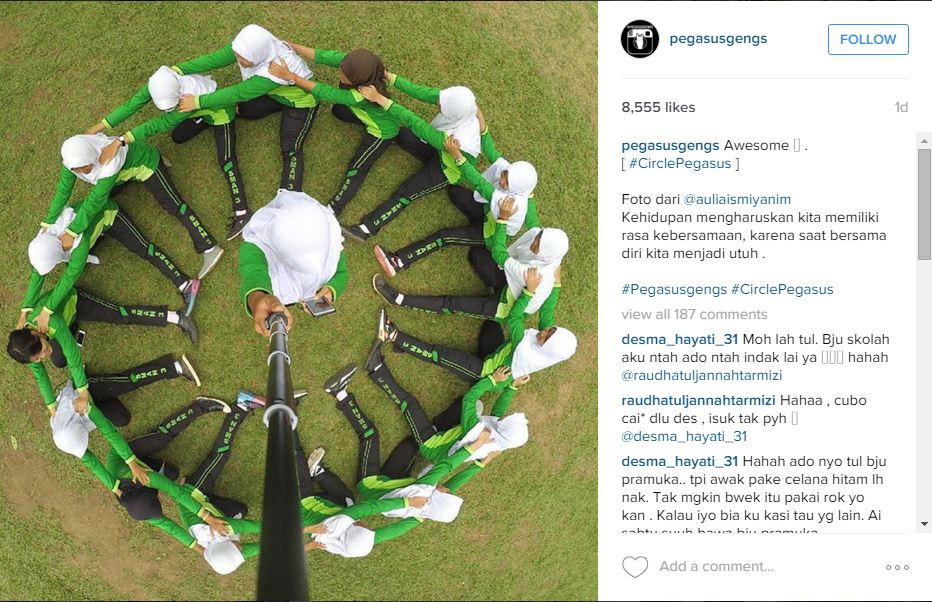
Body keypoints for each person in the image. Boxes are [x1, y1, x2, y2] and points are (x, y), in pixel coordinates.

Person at [88, 394, 266, 574]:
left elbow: (178, 495)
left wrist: (209, 519)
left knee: (163, 439)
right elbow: (171, 528)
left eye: (238, 550)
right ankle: (201, 495)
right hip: (160, 487)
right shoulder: (141, 510)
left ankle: (208, 406)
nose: (242, 549)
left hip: (126, 456)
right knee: (238, 509)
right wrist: (203, 551)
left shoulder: (145, 479)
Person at [319, 364, 495, 541]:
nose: (449, 489)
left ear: (438, 499)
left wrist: (477, 444)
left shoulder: (424, 489)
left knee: (370, 435)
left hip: (371, 485)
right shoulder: (424, 512)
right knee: (411, 445)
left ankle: (340, 393)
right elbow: (453, 483)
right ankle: (450, 418)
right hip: (394, 481)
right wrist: (480, 464)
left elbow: (448, 465)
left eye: (448, 493)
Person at [87, 65, 251, 240]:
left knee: (226, 159)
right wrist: (98, 127)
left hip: (220, 112)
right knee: (179, 136)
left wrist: (120, 141)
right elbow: (130, 106)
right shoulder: (157, 84)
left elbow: (159, 124)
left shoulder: (187, 97)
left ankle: (242, 212)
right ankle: (202, 118)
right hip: (197, 111)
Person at [370, 112, 540, 276]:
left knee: (445, 236)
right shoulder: (514, 179)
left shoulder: (511, 203)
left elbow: (479, 184)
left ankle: (399, 261)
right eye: (504, 174)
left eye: (506, 181)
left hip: (489, 231)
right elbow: (492, 152)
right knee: (456, 192)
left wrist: (458, 156)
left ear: (517, 188)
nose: (502, 179)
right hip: (487, 211)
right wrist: (483, 127)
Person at [7, 285, 199, 422]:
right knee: (58, 360)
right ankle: (73, 330)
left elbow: (74, 357)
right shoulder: (28, 351)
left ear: (34, 333)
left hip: (75, 304)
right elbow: (40, 376)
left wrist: (83, 392)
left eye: (41, 351)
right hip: (64, 327)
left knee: (120, 315)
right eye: (38, 358)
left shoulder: (50, 322)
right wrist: (52, 407)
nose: (43, 356)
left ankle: (176, 317)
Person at [49, 134, 223, 279]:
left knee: (173, 205)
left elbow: (96, 200)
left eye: (83, 167)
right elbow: (63, 190)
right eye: (77, 170)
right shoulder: (72, 159)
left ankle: (209, 246)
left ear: (90, 156)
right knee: (107, 193)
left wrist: (71, 232)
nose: (80, 172)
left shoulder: (110, 164)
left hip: (146, 164)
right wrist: (47, 222)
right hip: (123, 175)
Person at [372, 267, 577, 386]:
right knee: (489, 325)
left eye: (546, 336)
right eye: (551, 330)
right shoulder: (544, 345)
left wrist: (529, 292)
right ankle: (403, 345)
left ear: (547, 348)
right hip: (496, 354)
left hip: (482, 372)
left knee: (439, 353)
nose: (544, 331)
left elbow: (514, 319)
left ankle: (393, 335)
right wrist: (556, 282)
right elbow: (547, 313)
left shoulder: (524, 350)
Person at [339, 76, 483, 243]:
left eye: (444, 105)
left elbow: (414, 122)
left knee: (406, 192)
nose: (439, 103)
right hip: (438, 148)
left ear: (454, 112)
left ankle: (365, 229)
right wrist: (389, 76)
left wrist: (379, 98)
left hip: (447, 167)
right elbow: (420, 91)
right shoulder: (460, 103)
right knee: (399, 132)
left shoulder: (459, 140)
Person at [372, 201, 567, 324]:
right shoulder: (537, 235)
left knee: (452, 303)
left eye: (538, 246)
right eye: (537, 238)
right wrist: (529, 194)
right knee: (478, 254)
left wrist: (503, 220)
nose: (533, 242)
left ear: (546, 255)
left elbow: (500, 254)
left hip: (506, 304)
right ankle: (491, 285)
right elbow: (516, 244)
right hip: (507, 277)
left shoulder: (538, 276)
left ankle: (398, 299)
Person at [364, 351, 532, 494]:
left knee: (410, 404)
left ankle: (376, 370)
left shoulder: (477, 431)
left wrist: (492, 380)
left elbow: (470, 397)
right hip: (453, 437)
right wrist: (512, 387)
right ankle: (438, 426)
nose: (506, 416)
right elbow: (498, 413)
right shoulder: (500, 441)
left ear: (504, 428)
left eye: (508, 419)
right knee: (478, 407)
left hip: (431, 444)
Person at [176, 24, 318, 192]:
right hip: (275, 93)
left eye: (242, 58)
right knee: (245, 110)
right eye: (236, 55)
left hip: (301, 102)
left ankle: (290, 195)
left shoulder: (269, 74)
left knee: (290, 148)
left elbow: (237, 92)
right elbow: (214, 59)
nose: (238, 60)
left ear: (257, 55)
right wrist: (179, 69)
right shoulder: (248, 48)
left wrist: (198, 102)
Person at [268, 45, 405, 216]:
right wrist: (290, 45)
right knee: (338, 111)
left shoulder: (358, 95)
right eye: (341, 69)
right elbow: (322, 56)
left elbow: (324, 92)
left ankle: (334, 208)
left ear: (359, 81)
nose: (340, 73)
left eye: (344, 75)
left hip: (382, 131)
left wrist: (290, 76)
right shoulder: (358, 66)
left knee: (357, 167)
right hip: (366, 113)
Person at [22, 197, 200, 324]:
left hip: (111, 215)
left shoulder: (79, 247)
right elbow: (37, 273)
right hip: (93, 225)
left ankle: (185, 284)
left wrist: (47, 310)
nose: (52, 269)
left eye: (52, 265)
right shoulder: (45, 236)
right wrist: (25, 311)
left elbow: (67, 281)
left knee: (145, 249)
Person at [238, 189, 348, 336]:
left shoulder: (331, 238)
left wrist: (331, 289)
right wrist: (258, 299)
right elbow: (253, 274)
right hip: (275, 296)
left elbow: (342, 272)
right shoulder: (254, 247)